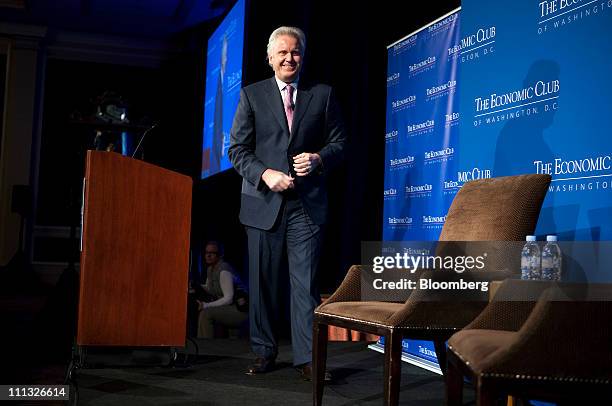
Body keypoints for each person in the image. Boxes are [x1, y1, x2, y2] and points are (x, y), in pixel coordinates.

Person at [228, 26, 346, 380]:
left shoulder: (322, 95)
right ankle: (264, 352)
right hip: (263, 203)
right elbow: (237, 149)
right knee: (262, 284)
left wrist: (319, 158)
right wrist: (265, 174)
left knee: (305, 285)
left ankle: (308, 359)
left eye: (294, 52)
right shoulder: (251, 95)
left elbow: (340, 143)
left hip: (307, 206)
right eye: (282, 52)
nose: (289, 58)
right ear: (269, 58)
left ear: (302, 57)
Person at [196, 241, 248, 339]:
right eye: (206, 253)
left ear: (220, 255)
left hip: (241, 310)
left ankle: (205, 349)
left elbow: (229, 298)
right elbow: (210, 289)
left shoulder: (224, 270)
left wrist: (206, 305)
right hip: (228, 308)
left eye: (212, 253)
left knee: (206, 313)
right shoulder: (210, 269)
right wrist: (195, 285)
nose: (208, 256)